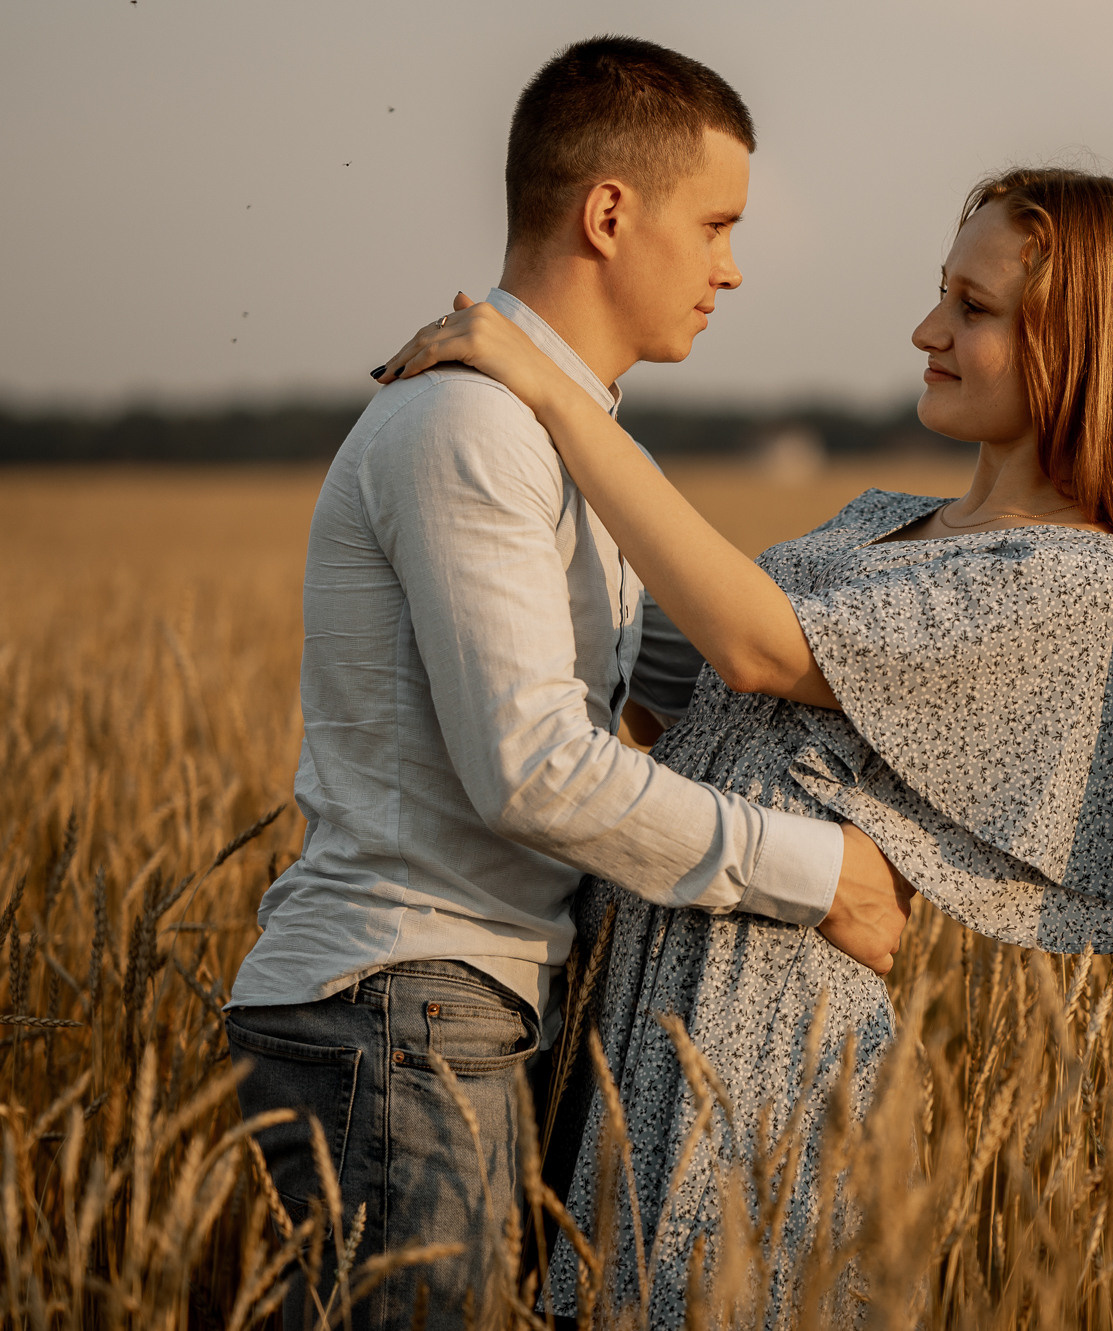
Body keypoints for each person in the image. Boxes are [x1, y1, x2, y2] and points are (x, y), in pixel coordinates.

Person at [375, 164, 1113, 1325]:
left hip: (754, 1021)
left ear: (1083, 345)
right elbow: (685, 675)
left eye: (973, 309)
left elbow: (757, 650)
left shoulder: (1065, 579)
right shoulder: (881, 520)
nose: (926, 330)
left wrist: (554, 393)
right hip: (637, 983)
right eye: (941, 293)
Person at [224, 38, 913, 1331]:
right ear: (609, 212)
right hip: (401, 1004)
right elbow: (535, 766)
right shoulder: (467, 427)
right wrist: (825, 871)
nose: (733, 265)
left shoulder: (552, 431)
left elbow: (717, 665)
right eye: (716, 223)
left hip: (451, 1011)